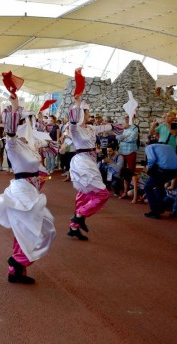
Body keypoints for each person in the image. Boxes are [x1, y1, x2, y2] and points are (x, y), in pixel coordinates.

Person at [0, 94, 56, 284]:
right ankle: (17, 263)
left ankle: (16, 268)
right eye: (29, 120)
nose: (32, 123)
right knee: (39, 228)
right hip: (22, 191)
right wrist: (15, 105)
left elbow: (51, 142)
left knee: (33, 229)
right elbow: (10, 134)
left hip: (32, 191)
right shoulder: (13, 145)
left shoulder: (32, 145)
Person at [67, 96, 114, 241]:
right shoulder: (74, 130)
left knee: (84, 194)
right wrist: (77, 103)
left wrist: (128, 121)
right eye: (87, 113)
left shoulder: (91, 128)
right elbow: (73, 122)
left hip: (90, 162)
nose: (89, 115)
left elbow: (107, 127)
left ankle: (74, 226)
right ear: (82, 114)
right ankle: (79, 215)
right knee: (102, 193)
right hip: (82, 163)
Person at [142, 142, 177, 219]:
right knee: (159, 187)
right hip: (174, 171)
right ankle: (160, 208)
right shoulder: (169, 146)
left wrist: (149, 169)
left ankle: (154, 210)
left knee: (147, 187)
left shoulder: (149, 147)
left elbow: (152, 159)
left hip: (163, 169)